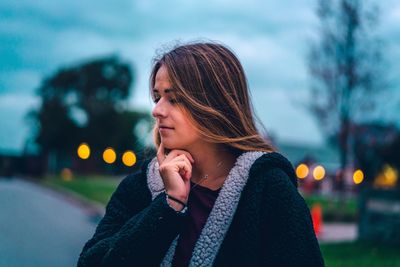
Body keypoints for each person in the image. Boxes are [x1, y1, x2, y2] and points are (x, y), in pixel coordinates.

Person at [77, 42, 324, 267]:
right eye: (157, 97)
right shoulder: (139, 186)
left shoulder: (268, 189)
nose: (157, 111)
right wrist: (168, 205)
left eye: (173, 99)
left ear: (214, 105)